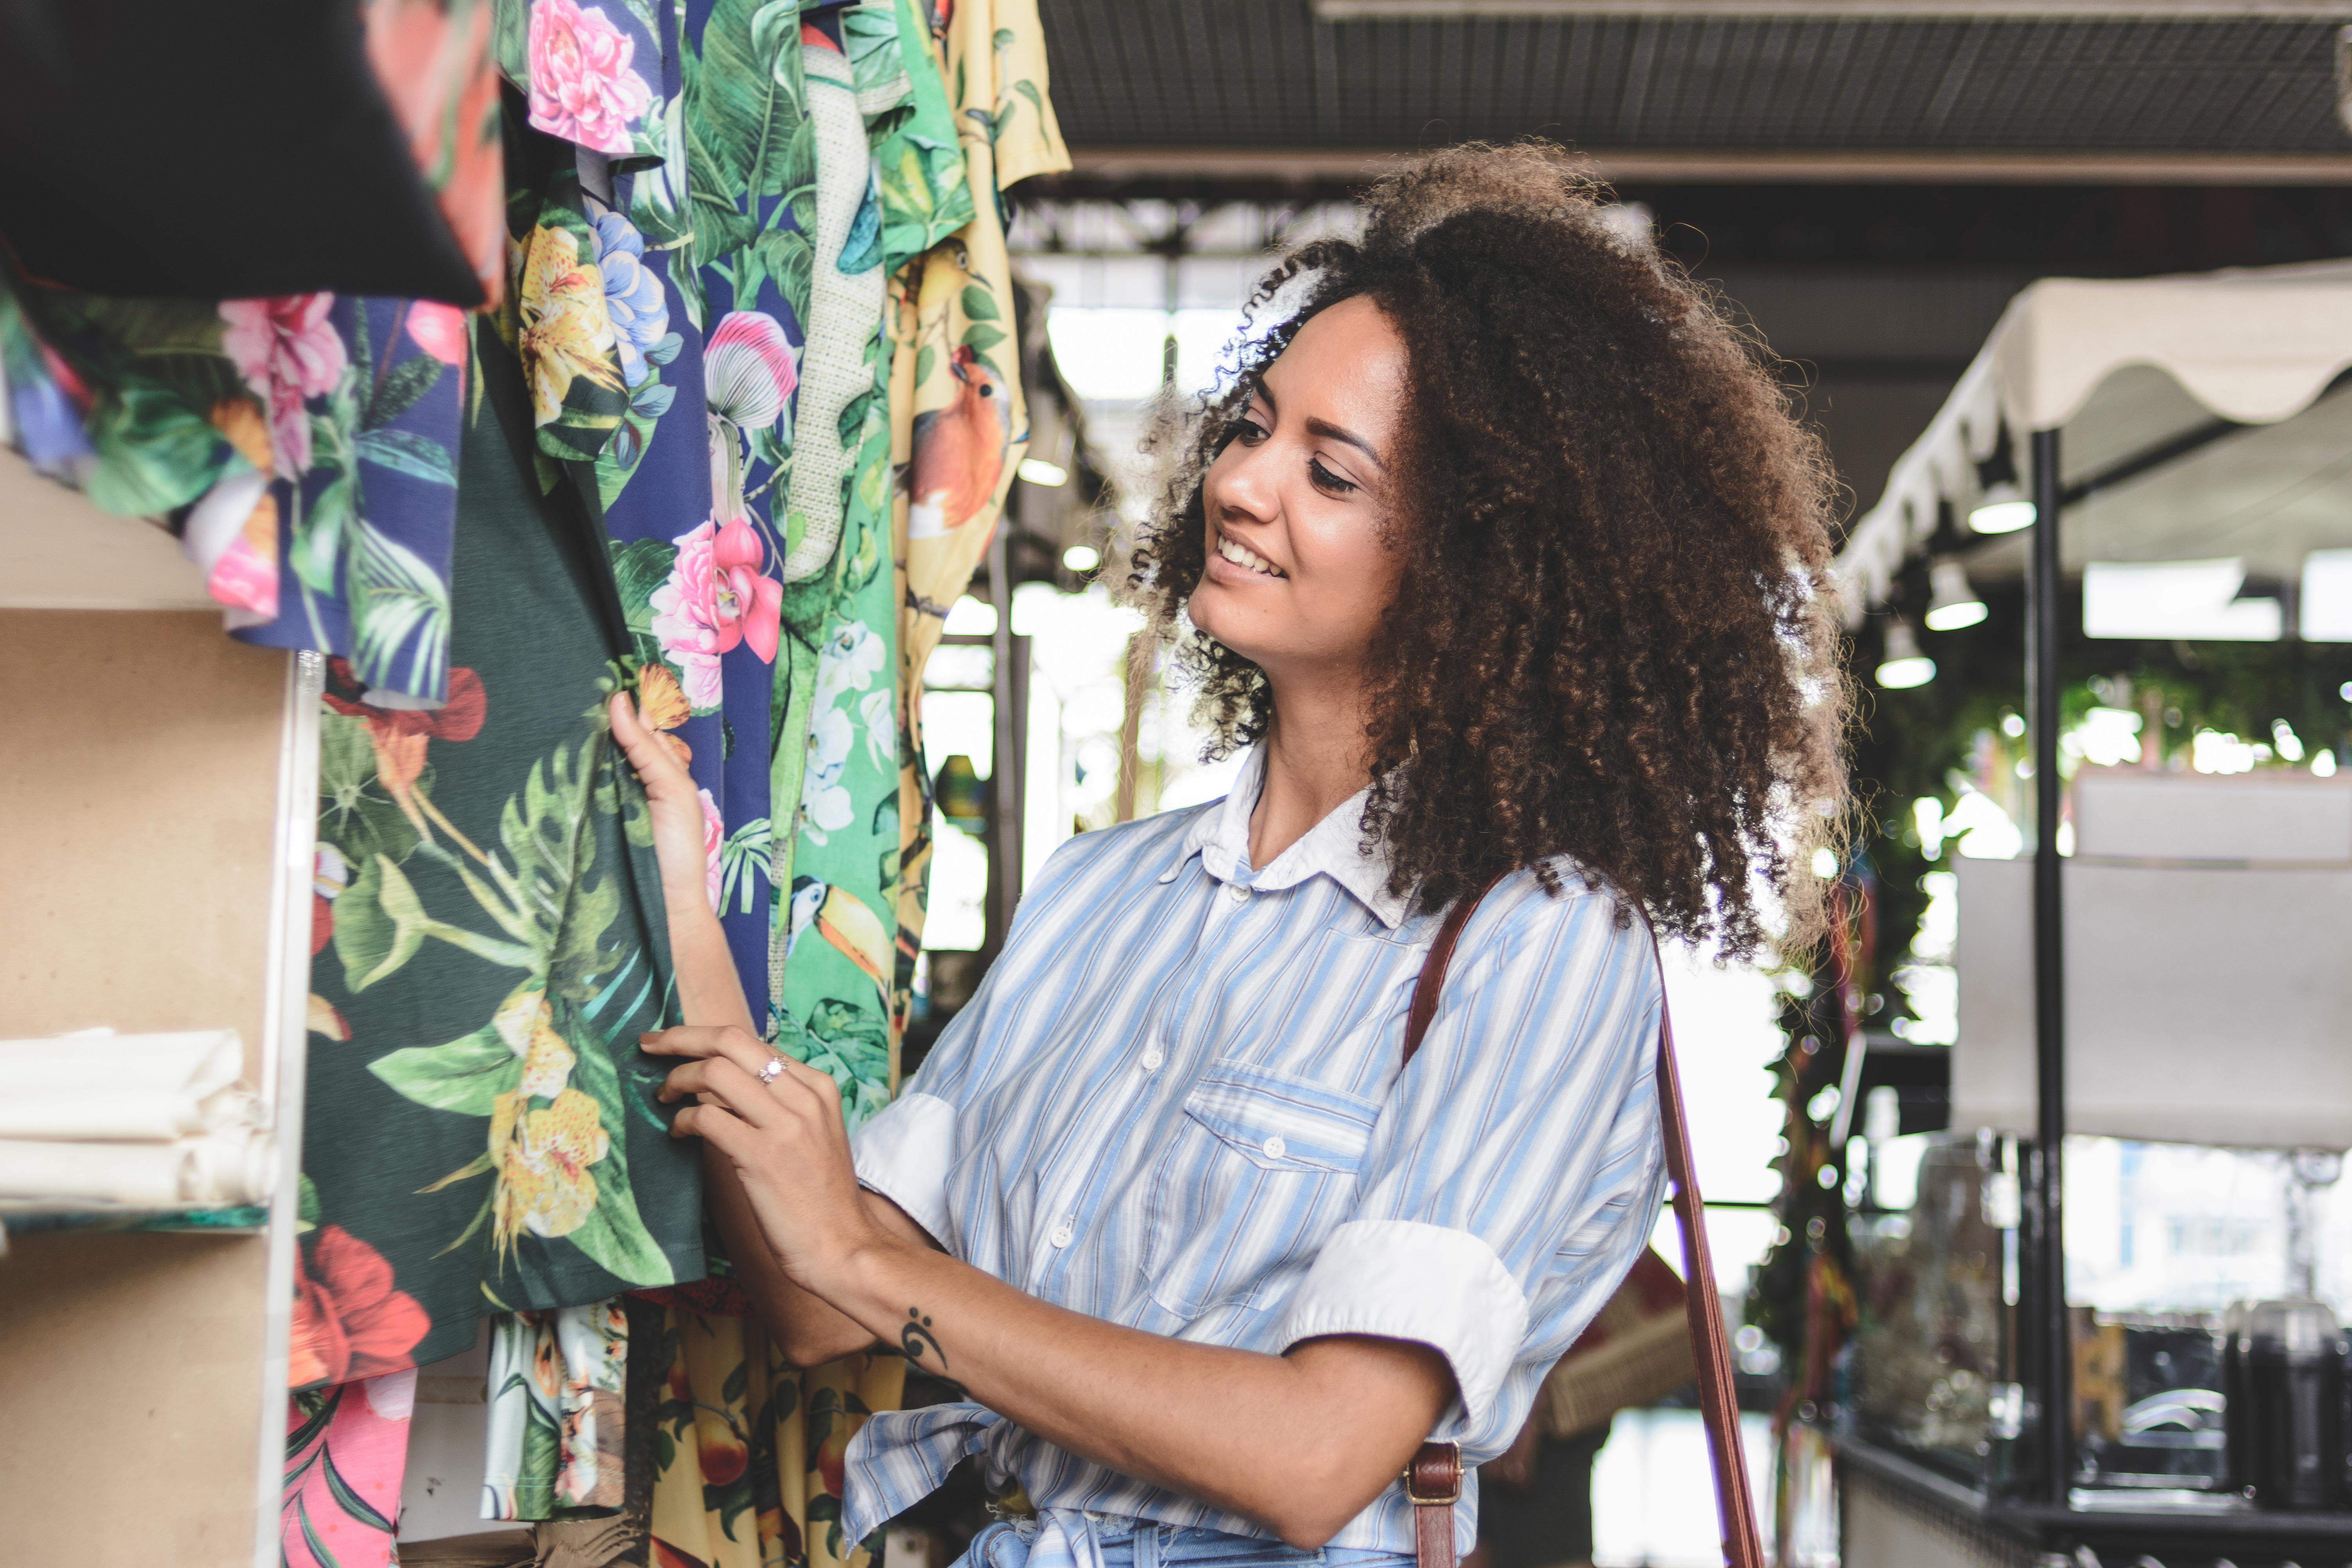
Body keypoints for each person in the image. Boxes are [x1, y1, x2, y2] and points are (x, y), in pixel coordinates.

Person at [608, 142, 1845, 1568]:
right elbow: (820, 1298)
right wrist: (691, 916)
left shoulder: (1535, 939)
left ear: (1476, 560)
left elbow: (1316, 1457)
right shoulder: (1102, 894)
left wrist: (874, 1268)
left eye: (1328, 470)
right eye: (1253, 427)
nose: (1243, 484)